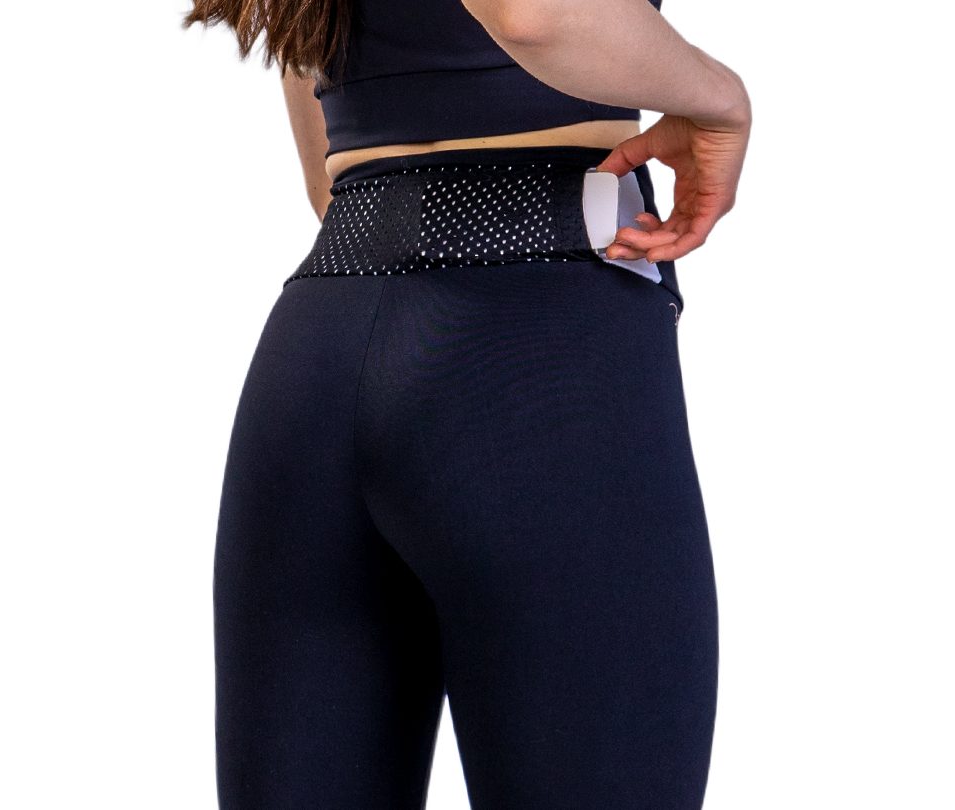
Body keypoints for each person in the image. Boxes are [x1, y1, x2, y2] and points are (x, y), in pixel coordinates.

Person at [182, 0, 751, 807]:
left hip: (321, 339)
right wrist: (719, 96)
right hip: (535, 346)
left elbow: (323, 169)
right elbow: (531, 13)